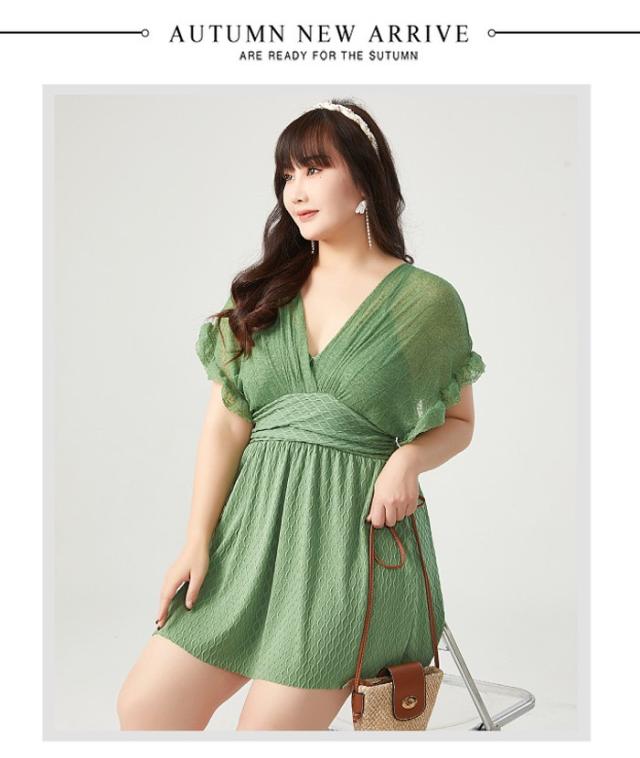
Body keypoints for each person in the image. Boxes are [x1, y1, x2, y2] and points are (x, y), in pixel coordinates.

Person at [116, 98, 486, 731]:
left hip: (350, 547)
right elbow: (226, 424)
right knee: (145, 708)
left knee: (264, 736)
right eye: (287, 174)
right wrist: (196, 541)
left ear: (365, 180)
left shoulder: (424, 302)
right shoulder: (265, 293)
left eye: (314, 169)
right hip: (249, 537)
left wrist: (407, 460)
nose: (296, 190)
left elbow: (459, 423)